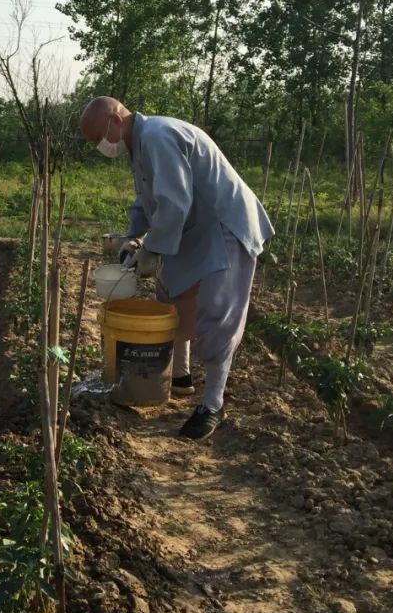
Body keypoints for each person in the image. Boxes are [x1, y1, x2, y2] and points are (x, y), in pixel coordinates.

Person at [79, 96, 274, 440]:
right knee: (171, 292)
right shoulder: (139, 144)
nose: (101, 146)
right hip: (192, 226)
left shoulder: (156, 136)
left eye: (99, 138)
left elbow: (175, 201)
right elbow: (146, 199)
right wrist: (134, 237)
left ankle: (211, 404)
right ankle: (180, 377)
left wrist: (152, 248)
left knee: (217, 313)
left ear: (116, 119)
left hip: (223, 225)